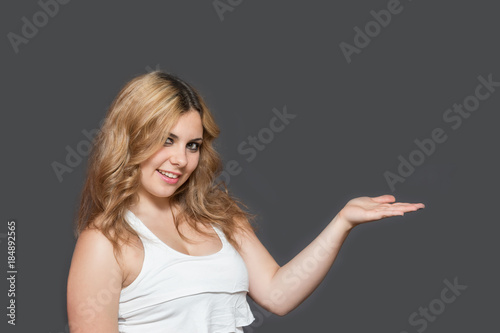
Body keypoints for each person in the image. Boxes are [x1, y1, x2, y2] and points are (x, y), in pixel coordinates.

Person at [66, 71, 425, 333]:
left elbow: (278, 294)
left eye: (192, 145)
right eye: (166, 140)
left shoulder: (220, 217)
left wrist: (342, 222)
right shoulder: (105, 242)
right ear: (132, 140)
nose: (180, 159)